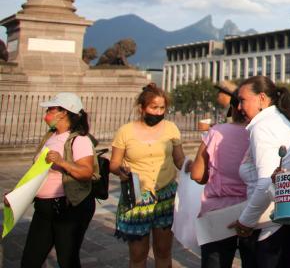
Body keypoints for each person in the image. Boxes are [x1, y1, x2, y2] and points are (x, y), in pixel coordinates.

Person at [229, 76, 290, 267]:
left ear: (262, 98)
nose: (239, 107)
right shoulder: (283, 121)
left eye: (243, 100)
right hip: (285, 220)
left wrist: (244, 222)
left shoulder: (263, 126)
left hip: (270, 227)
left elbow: (266, 182)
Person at [109, 83, 185, 268]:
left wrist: (197, 165)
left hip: (165, 195)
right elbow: (114, 164)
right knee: (138, 254)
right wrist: (121, 172)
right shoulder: (125, 131)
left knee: (164, 251)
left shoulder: (171, 128)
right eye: (153, 107)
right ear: (142, 108)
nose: (158, 112)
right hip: (137, 196)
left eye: (162, 108)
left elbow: (179, 160)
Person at [20, 92, 96, 267]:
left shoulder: (80, 139)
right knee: (30, 259)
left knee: (67, 260)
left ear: (64, 112)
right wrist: (18, 194)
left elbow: (86, 172)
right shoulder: (50, 137)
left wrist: (62, 162)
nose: (47, 112)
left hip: (67, 208)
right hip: (43, 208)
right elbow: (37, 172)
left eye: (51, 108)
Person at [188, 91, 250, 267]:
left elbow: (197, 174)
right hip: (251, 209)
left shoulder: (216, 132)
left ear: (233, 108)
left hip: (217, 210)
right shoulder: (259, 134)